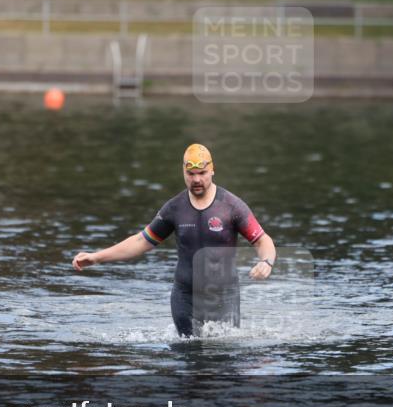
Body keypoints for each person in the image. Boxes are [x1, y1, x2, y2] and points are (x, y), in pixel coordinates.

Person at [72, 144, 276, 336]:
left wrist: (266, 261)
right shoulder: (174, 209)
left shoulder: (231, 206)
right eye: (191, 174)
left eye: (202, 173)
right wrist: (97, 258)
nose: (196, 180)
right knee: (188, 358)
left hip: (224, 297)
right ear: (183, 172)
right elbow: (140, 242)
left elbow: (262, 240)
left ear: (212, 171)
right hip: (184, 296)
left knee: (222, 359)